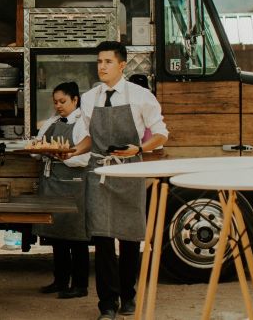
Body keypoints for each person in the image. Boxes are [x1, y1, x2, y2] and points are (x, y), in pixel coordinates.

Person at [78, 41, 168, 320]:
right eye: (99, 62)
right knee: (102, 238)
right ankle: (107, 304)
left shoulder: (142, 96)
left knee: (129, 238)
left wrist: (139, 149)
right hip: (100, 172)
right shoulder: (89, 97)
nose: (102, 67)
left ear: (121, 65)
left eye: (107, 62)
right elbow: (87, 138)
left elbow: (161, 135)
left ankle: (128, 294)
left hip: (129, 170)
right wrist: (67, 151)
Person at [34, 81, 92, 299]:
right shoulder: (51, 122)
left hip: (73, 183)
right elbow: (38, 146)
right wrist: (41, 151)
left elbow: (85, 158)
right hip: (52, 181)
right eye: (55, 102)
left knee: (76, 238)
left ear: (75, 100)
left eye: (62, 101)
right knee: (56, 235)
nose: (58, 106)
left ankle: (80, 285)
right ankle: (60, 280)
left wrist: (64, 156)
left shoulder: (83, 124)